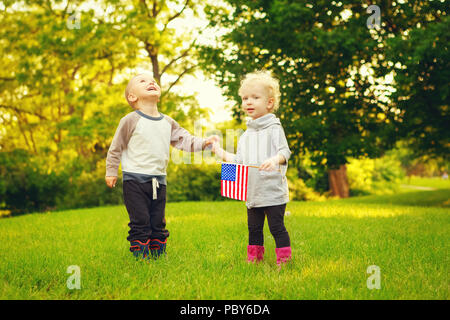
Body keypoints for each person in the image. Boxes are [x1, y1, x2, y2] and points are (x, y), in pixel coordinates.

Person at [105, 73, 218, 260]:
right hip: (134, 181)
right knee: (140, 220)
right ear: (133, 97)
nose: (151, 82)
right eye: (143, 81)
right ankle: (141, 258)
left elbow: (185, 140)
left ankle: (158, 255)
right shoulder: (130, 120)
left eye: (153, 81)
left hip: (159, 181)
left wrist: (204, 142)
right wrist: (111, 171)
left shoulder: (167, 122)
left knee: (158, 221)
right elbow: (116, 148)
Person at [212, 70, 292, 268]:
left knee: (276, 227)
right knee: (254, 228)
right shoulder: (246, 134)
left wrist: (274, 160)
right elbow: (239, 161)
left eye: (255, 97)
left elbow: (285, 152)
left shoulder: (274, 128)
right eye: (245, 98)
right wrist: (220, 152)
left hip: (273, 192)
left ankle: (284, 260)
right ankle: (254, 260)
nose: (249, 102)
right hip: (252, 191)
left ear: (269, 103)